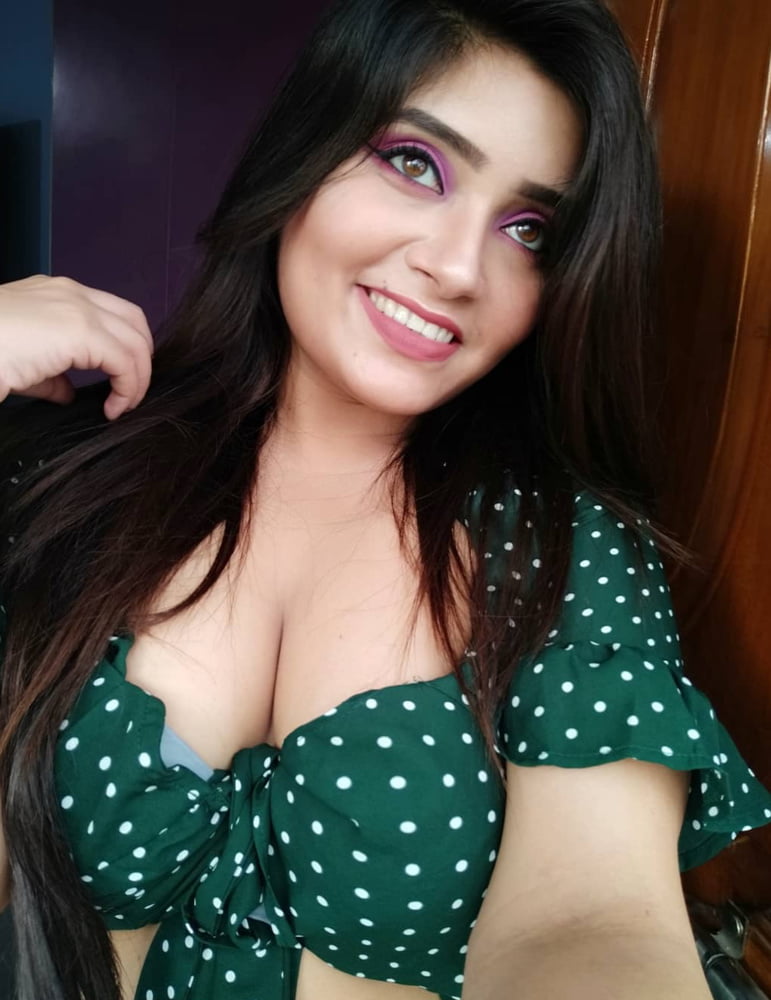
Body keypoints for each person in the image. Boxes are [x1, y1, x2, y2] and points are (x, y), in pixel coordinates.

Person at [0, 1, 770, 998]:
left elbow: (594, 919)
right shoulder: (80, 466)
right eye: (415, 163)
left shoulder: (564, 550)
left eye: (528, 229)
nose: (457, 268)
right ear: (303, 152)